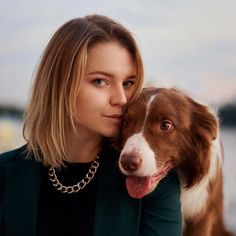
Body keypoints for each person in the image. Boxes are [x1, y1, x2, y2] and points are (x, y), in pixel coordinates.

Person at [0, 14, 182, 236]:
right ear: (60, 85)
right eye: (100, 81)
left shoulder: (149, 181)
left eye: (128, 83)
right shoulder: (5, 175)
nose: (121, 99)